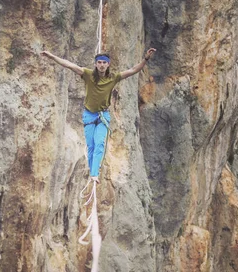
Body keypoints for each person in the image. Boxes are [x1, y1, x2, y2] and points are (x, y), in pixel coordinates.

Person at [41, 47, 156, 182]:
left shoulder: (113, 78)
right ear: (96, 64)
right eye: (99, 62)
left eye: (104, 62)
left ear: (108, 64)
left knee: (99, 143)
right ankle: (92, 170)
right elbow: (69, 65)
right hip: (89, 115)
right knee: (91, 146)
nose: (101, 65)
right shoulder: (88, 75)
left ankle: (94, 173)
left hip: (103, 116)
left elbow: (133, 70)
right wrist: (52, 56)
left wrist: (146, 59)